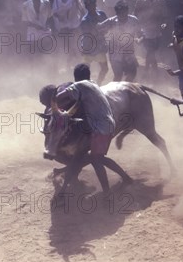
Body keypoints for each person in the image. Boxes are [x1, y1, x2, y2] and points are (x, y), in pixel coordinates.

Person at [55, 63, 132, 192]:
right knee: (97, 158)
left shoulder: (79, 85)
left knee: (97, 160)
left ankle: (109, 191)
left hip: (100, 127)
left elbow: (58, 98)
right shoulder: (93, 83)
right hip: (108, 123)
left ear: (76, 77)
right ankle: (125, 178)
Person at [99, 0, 140, 82]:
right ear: (117, 13)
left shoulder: (134, 20)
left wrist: (139, 39)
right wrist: (102, 37)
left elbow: (140, 33)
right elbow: (99, 27)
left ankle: (125, 88)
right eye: (120, 13)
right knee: (118, 76)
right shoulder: (112, 21)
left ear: (127, 11)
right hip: (115, 54)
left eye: (124, 12)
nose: (122, 14)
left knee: (132, 73)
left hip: (129, 52)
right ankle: (114, 92)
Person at [134, 0, 167, 79]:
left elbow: (164, 16)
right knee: (150, 50)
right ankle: (150, 71)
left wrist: (164, 24)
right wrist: (137, 30)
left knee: (151, 51)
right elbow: (135, 15)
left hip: (157, 30)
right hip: (145, 30)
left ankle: (150, 71)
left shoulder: (161, 1)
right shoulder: (140, 1)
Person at [79, 0, 108, 84]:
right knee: (85, 70)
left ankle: (98, 84)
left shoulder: (102, 14)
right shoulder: (85, 20)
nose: (93, 6)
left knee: (105, 68)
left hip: (99, 46)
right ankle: (87, 86)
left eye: (93, 4)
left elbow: (107, 26)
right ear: (87, 7)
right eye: (90, 5)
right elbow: (90, 34)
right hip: (88, 47)